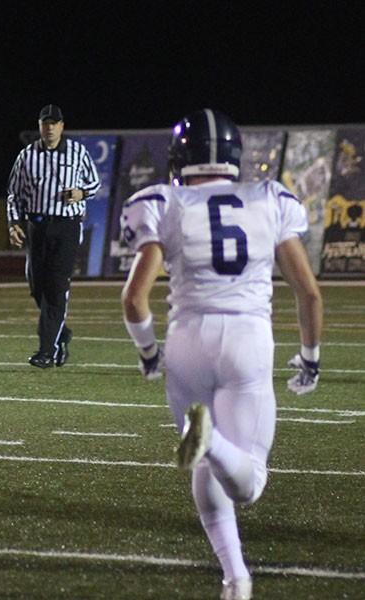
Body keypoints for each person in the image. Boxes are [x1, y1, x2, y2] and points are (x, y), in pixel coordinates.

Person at [120, 109, 323, 600]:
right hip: (246, 342)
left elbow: (133, 299)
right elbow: (309, 294)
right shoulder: (269, 197)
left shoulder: (164, 202)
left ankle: (236, 578)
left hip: (188, 343)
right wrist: (310, 356)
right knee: (248, 482)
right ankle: (208, 442)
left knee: (206, 466)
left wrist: (149, 353)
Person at [6, 104, 101, 368]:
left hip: (66, 226)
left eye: (53, 123)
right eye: (45, 123)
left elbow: (94, 183)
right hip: (37, 226)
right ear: (40, 126)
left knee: (57, 287)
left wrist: (81, 193)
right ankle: (62, 332)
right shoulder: (27, 155)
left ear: (62, 126)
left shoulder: (77, 152)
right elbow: (15, 192)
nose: (49, 128)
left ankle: (47, 350)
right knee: (38, 285)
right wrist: (14, 223)